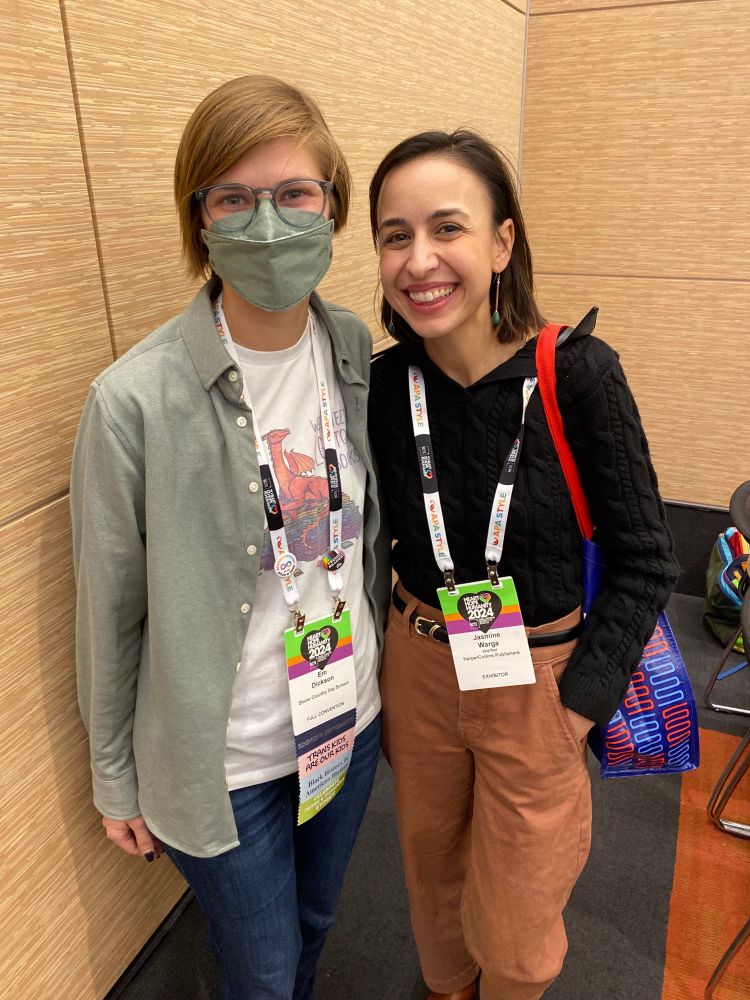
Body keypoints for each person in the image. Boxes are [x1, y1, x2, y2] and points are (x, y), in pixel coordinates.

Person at [70, 75, 390, 1000]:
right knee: (262, 972)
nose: (269, 223)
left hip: (347, 718)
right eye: (234, 199)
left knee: (319, 924)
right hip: (229, 763)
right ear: (199, 219)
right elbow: (109, 612)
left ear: (332, 206)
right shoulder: (132, 401)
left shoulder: (351, 348)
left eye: (295, 193)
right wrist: (114, 779)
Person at [367, 130, 680, 1000]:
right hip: (419, 663)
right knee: (431, 878)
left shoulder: (577, 374)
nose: (419, 260)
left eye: (447, 228)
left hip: (538, 677)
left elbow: (648, 560)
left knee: (517, 923)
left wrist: (576, 708)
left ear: (502, 242)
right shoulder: (385, 387)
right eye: (395, 236)